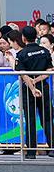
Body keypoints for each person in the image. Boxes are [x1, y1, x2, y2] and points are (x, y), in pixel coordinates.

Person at [15, 26, 54, 160]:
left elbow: (22, 73)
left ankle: (31, 152)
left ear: (23, 38)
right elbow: (49, 70)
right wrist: (37, 81)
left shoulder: (21, 54)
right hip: (43, 87)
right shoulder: (44, 51)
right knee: (47, 119)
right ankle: (52, 148)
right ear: (36, 36)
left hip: (28, 90)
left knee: (30, 119)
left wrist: (32, 86)